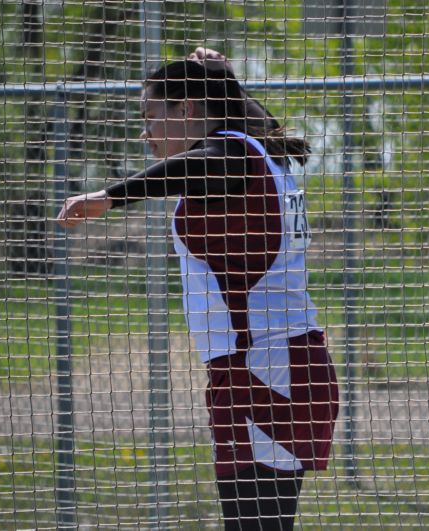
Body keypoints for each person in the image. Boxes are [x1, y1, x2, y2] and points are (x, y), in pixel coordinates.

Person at [56, 47, 339, 530]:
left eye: (150, 117)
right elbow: (224, 139)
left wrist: (109, 196)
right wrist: (223, 77)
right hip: (278, 364)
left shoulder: (231, 157)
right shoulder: (256, 146)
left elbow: (199, 165)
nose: (143, 133)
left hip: (264, 370)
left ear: (186, 110)